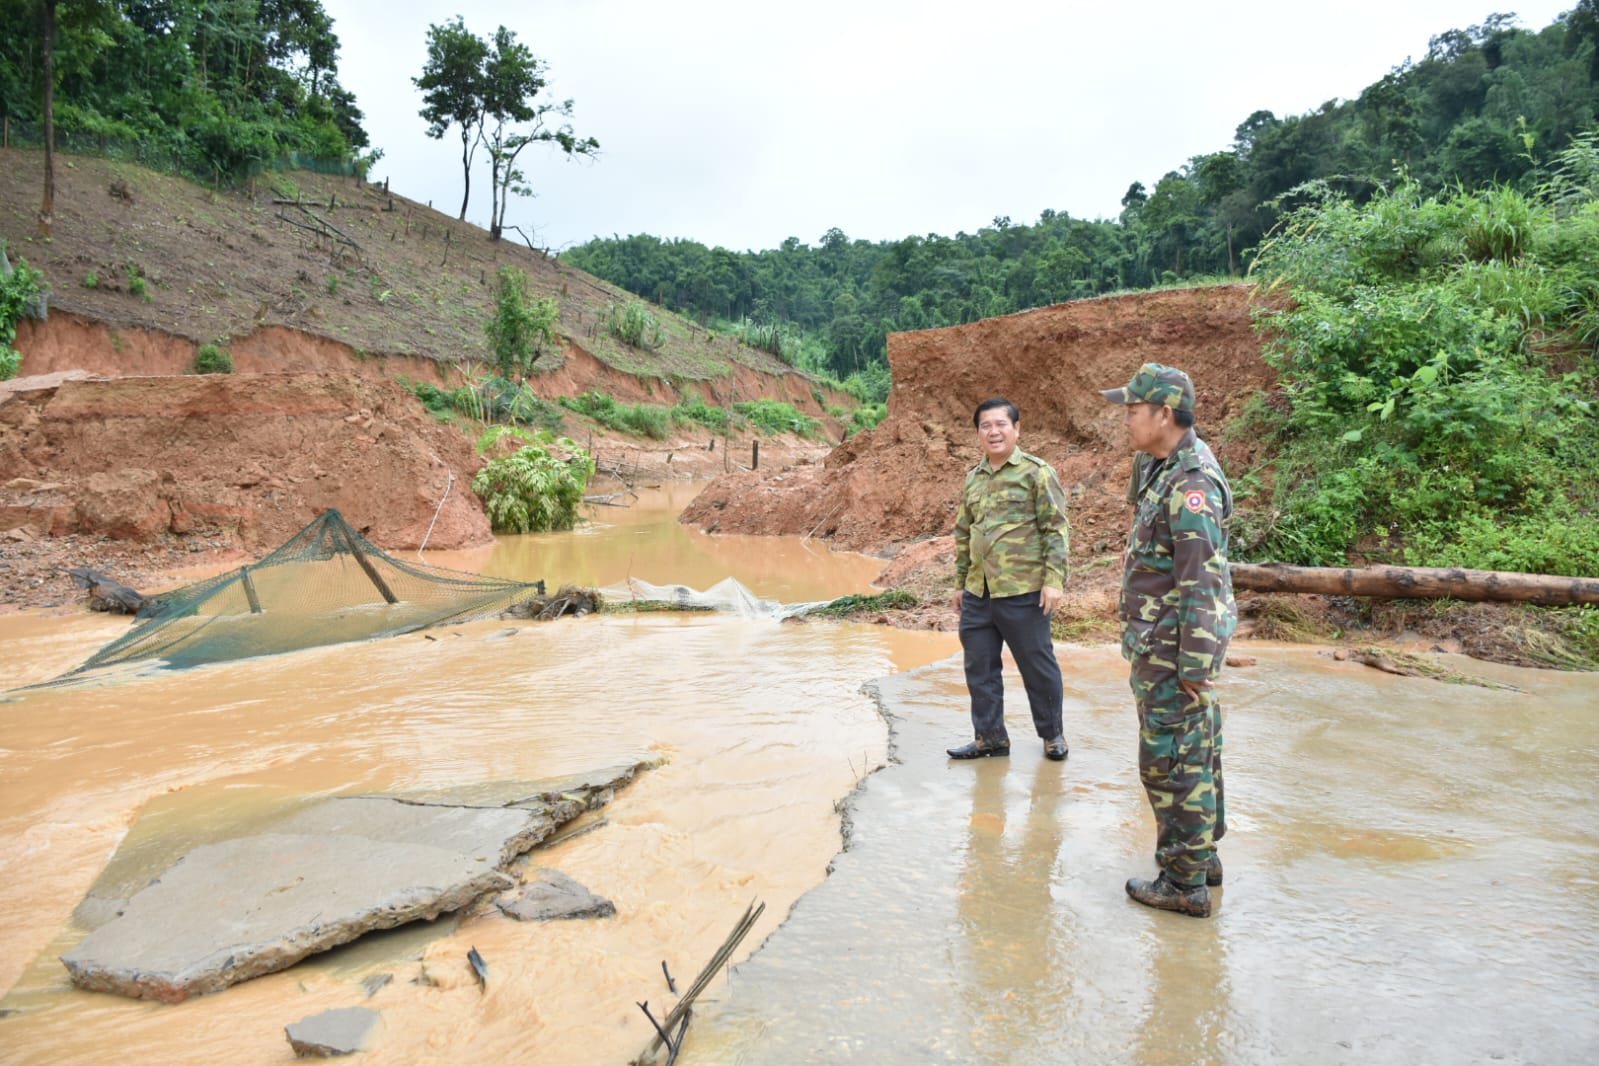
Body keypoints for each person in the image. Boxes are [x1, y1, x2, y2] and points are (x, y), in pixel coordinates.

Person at [1101, 363, 1234, 918]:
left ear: (1165, 413)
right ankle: (1200, 858)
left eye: (1133, 411)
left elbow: (1202, 581)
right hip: (1160, 641)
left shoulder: (1192, 484)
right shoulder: (1160, 466)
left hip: (1175, 648)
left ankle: (1183, 885)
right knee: (1196, 747)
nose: (1126, 420)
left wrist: (1196, 666)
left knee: (1171, 758)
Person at [947, 398, 1071, 762]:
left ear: (1017, 429)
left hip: (1023, 590)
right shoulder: (974, 477)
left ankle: (1052, 735)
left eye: (1001, 424)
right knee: (980, 668)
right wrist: (959, 582)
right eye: (986, 425)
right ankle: (990, 738)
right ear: (978, 433)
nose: (993, 431)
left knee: (1037, 665)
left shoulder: (1037, 472)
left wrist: (1054, 580)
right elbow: (963, 532)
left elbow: (1055, 528)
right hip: (979, 591)